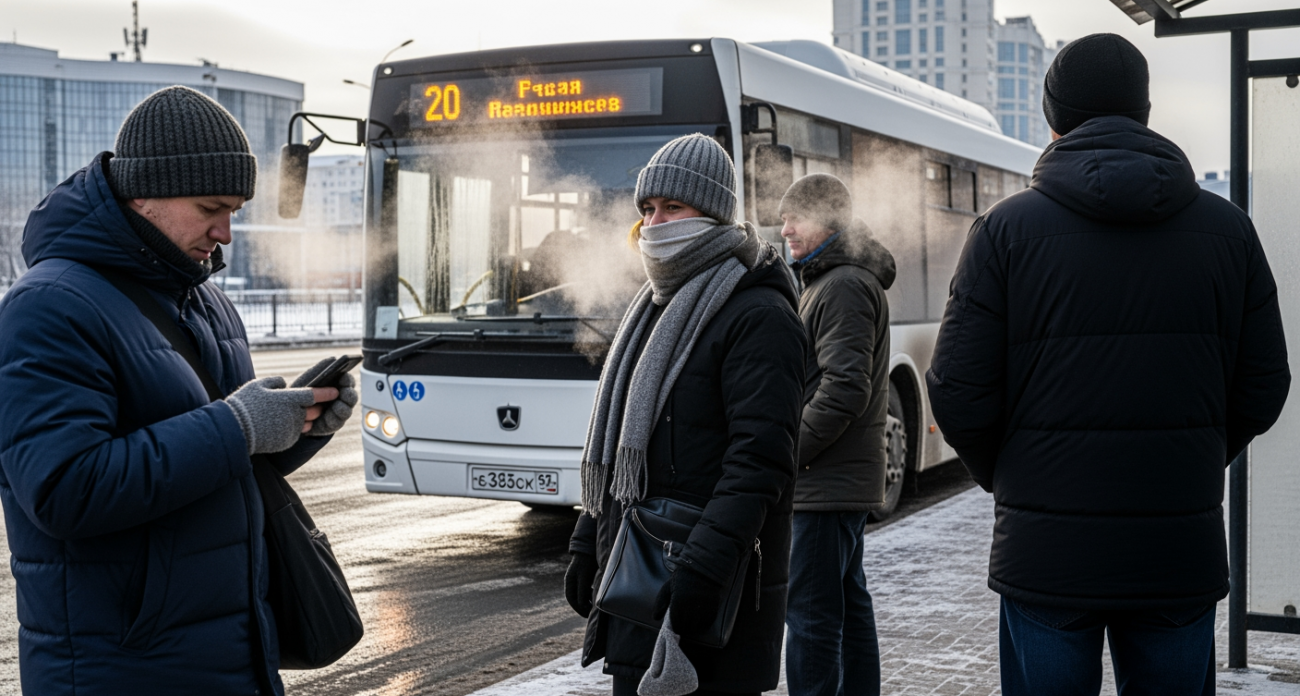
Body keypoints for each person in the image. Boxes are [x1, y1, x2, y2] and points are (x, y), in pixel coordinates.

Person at [925, 34, 1290, 696]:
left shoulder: (1005, 232)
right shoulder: (1228, 230)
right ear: (1144, 111)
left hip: (1047, 555)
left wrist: (1012, 475)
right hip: (1176, 550)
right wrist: (1198, 453)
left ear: (1053, 116)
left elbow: (956, 390)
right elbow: (1265, 382)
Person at [0, 85, 358, 696]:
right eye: (209, 207)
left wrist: (293, 426)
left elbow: (218, 465)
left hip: (229, 650)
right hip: (122, 665)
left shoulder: (205, 301)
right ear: (144, 192)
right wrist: (239, 426)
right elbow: (65, 492)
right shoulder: (48, 307)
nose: (225, 232)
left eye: (236, 211)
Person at [563, 133, 806, 696]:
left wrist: (701, 570)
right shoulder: (652, 306)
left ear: (714, 212)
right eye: (647, 209)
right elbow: (627, 440)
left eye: (674, 207)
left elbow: (760, 462)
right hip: (639, 577)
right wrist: (586, 535)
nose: (655, 223)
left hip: (712, 593)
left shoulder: (759, 312)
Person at [779, 173, 895, 696]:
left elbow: (844, 388)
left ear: (828, 220)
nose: (784, 229)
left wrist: (786, 451)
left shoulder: (843, 284)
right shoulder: (830, 280)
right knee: (845, 607)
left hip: (824, 483)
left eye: (794, 218)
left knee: (810, 618)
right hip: (833, 481)